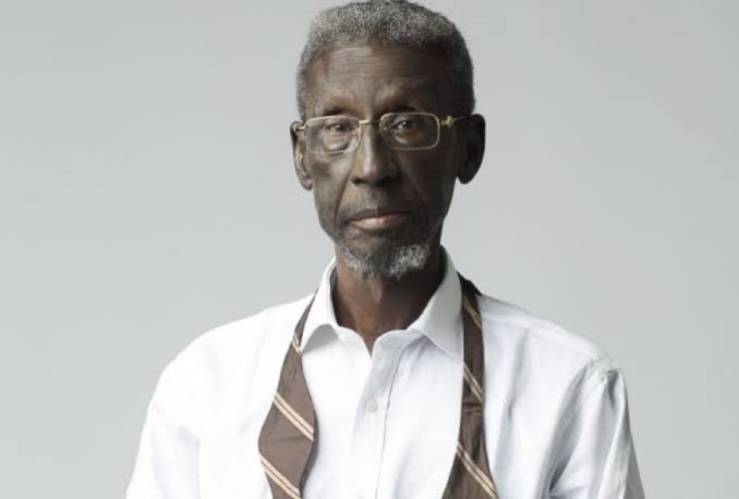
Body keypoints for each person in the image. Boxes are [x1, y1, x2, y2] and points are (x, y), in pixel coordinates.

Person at [126, 1, 645, 498]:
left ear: (468, 148)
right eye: (338, 128)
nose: (372, 167)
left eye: (406, 124)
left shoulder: (568, 387)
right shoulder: (206, 386)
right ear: (303, 156)